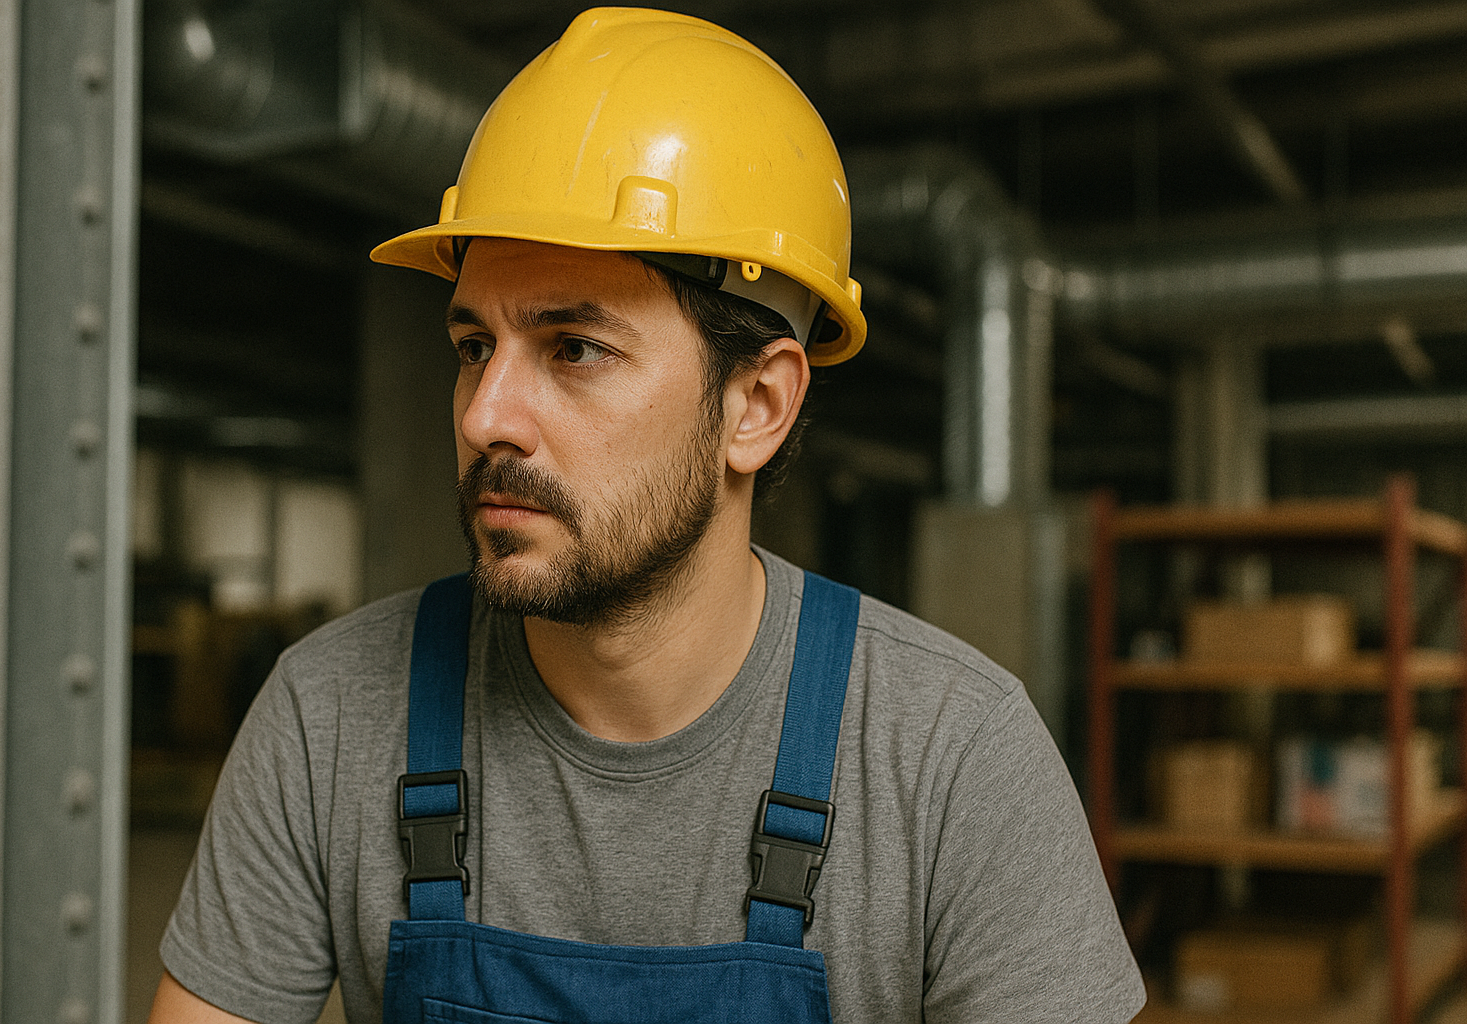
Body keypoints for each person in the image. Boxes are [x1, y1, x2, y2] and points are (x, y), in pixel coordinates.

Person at [149, 8, 1145, 1023]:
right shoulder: (331, 715)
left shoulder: (952, 758)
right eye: (473, 346)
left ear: (755, 406)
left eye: (574, 346)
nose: (487, 414)